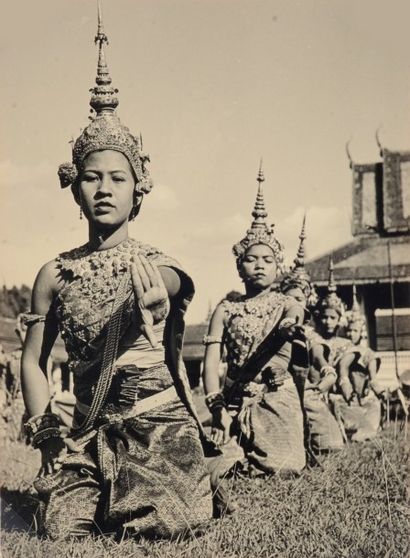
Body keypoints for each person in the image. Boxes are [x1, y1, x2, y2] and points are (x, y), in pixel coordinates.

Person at [21, 4, 212, 540]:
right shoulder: (54, 274)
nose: (104, 189)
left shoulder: (152, 263)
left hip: (154, 424)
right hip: (84, 432)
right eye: (90, 177)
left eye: (117, 178)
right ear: (74, 187)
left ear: (138, 187)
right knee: (61, 530)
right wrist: (48, 437)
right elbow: (33, 363)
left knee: (166, 525)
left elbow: (169, 285)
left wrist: (155, 300)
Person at [203, 165, 306, 479]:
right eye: (251, 259)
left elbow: (296, 316)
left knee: (283, 466)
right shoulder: (226, 308)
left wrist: (291, 326)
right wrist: (216, 408)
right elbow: (209, 365)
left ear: (278, 267)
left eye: (268, 260)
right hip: (234, 402)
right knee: (216, 464)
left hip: (276, 400)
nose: (259, 265)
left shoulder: (286, 303)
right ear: (239, 266)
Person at [280, 219, 344, 453]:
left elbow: (317, 354)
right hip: (271, 388)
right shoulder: (272, 328)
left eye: (299, 299)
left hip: (303, 390)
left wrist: (328, 372)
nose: (293, 304)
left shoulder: (308, 333)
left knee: (330, 443)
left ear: (307, 303)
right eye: (288, 298)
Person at [332, 285, 383, 441]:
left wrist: (381, 391)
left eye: (354, 330)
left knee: (371, 416)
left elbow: (373, 380)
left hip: (366, 400)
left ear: (361, 331)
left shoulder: (368, 354)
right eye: (348, 330)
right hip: (344, 398)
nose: (351, 334)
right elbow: (342, 375)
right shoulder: (341, 349)